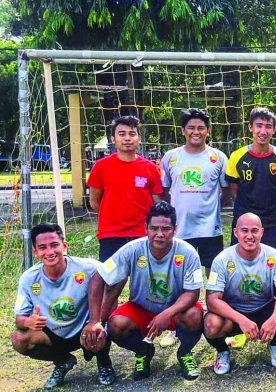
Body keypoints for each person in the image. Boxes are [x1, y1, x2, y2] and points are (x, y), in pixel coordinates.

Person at [85, 201, 205, 380]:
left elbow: (192, 292)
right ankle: (143, 351)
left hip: (174, 309)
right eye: (154, 228)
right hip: (141, 307)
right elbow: (98, 277)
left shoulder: (188, 252)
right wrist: (95, 320)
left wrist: (167, 313)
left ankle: (185, 353)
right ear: (145, 228)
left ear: (175, 229)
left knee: (194, 316)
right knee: (115, 325)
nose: (159, 234)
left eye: (166, 229)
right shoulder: (132, 249)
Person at [11, 223, 115, 389]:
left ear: (64, 246)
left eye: (54, 245)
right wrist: (27, 322)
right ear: (35, 252)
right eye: (42, 247)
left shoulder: (88, 267)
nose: (50, 252)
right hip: (54, 333)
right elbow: (19, 319)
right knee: (19, 339)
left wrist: (98, 319)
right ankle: (63, 361)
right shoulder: (28, 278)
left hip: (86, 329)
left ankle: (104, 363)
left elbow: (113, 283)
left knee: (109, 321)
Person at [160, 108, 230, 347]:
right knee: (177, 280)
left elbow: (227, 191)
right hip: (180, 232)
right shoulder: (170, 157)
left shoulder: (218, 157)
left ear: (207, 131)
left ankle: (219, 318)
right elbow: (164, 192)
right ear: (183, 131)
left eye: (201, 127)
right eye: (191, 127)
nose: (196, 132)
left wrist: (210, 208)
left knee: (215, 279)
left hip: (211, 230)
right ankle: (173, 325)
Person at [204, 213, 276, 373]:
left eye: (254, 231)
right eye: (244, 231)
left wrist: (274, 319)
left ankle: (275, 345)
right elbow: (212, 299)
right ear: (235, 233)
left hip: (264, 308)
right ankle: (222, 351)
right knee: (211, 324)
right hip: (234, 311)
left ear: (261, 232)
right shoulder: (222, 259)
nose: (249, 236)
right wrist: (241, 319)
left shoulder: (274, 256)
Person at [88, 115, 163, 262]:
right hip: (111, 234)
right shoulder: (101, 167)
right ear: (112, 139)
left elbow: (157, 204)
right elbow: (94, 202)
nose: (127, 138)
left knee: (143, 279)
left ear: (139, 138)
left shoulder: (150, 168)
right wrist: (114, 216)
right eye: (122, 134)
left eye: (132, 134)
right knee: (111, 281)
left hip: (142, 234)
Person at [227, 107, 276, 255]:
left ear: (274, 129)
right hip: (244, 223)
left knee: (274, 265)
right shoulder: (237, 157)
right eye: (259, 125)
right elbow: (234, 192)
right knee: (241, 265)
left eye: (268, 126)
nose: (263, 131)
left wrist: (275, 215)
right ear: (250, 127)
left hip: (273, 224)